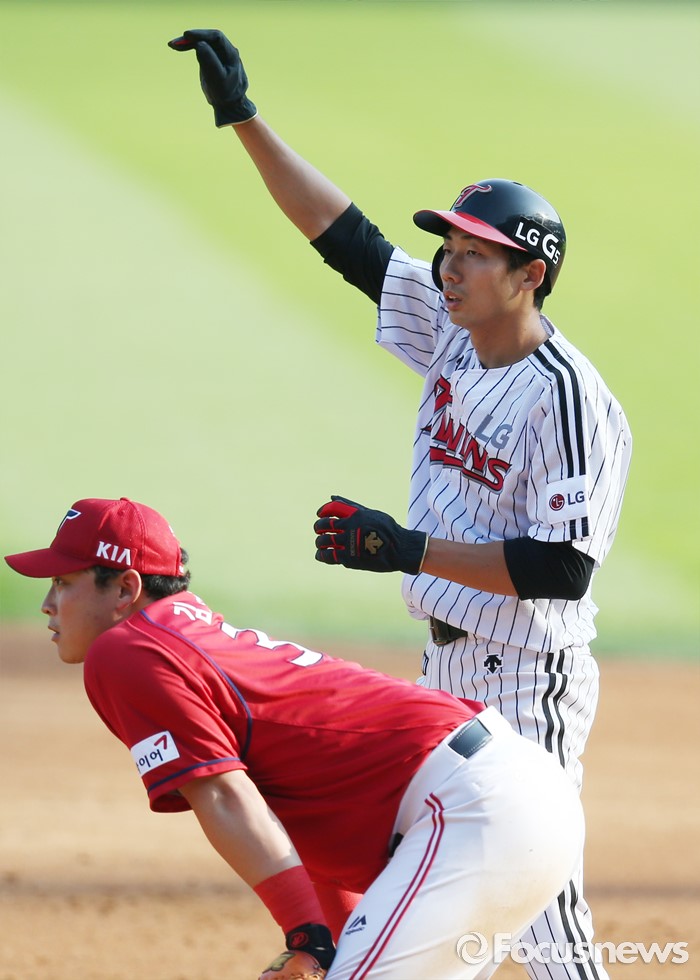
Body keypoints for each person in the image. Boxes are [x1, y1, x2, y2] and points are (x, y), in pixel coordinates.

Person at [168, 29, 632, 980]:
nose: (450, 267)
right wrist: (243, 119)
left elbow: (561, 567)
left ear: (530, 276)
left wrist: (404, 548)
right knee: (435, 892)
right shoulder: (456, 332)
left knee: (546, 917)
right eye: (449, 248)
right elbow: (346, 239)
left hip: (527, 679)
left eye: (475, 254)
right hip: (443, 670)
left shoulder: (569, 400)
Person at [5, 496, 584, 980]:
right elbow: (296, 820)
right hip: (505, 803)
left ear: (125, 588)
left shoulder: (129, 650)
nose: (48, 603)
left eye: (64, 581)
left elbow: (225, 795)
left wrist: (306, 933)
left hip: (467, 810)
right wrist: (326, 944)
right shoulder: (191, 644)